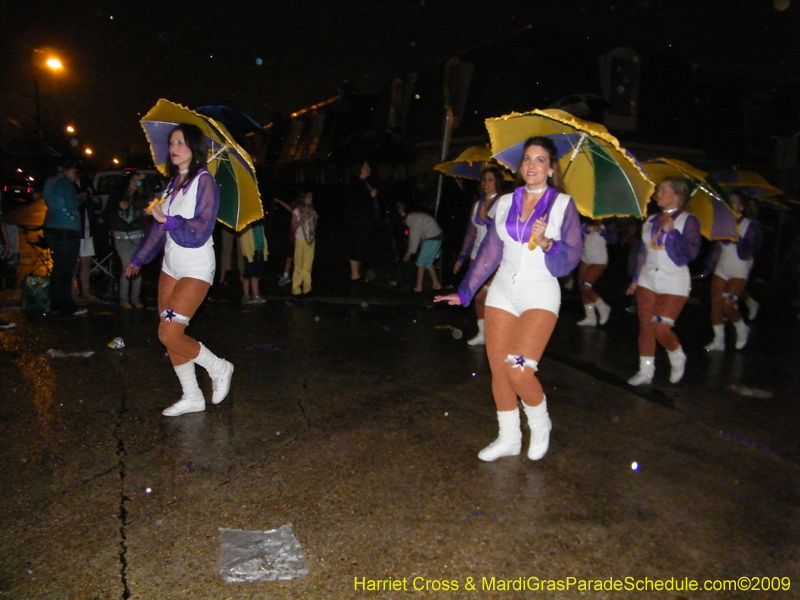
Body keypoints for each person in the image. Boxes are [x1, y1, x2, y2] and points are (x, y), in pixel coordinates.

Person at [435, 137, 582, 462]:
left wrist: (547, 243)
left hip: (540, 294)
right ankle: (509, 438)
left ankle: (540, 423)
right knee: (499, 371)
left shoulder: (562, 205)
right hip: (502, 292)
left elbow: (569, 261)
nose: (531, 165)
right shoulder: (504, 202)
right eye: (527, 158)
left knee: (518, 371)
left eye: (540, 159)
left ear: (551, 168)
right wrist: (465, 291)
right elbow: (490, 253)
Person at [126, 123, 233, 417]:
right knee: (167, 332)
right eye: (172, 142)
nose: (173, 148)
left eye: (181, 142)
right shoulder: (175, 182)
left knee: (170, 333)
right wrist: (139, 259)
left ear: (194, 149)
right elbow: (159, 229)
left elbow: (200, 228)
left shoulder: (205, 182)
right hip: (170, 266)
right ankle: (192, 395)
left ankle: (218, 366)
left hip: (195, 267)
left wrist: (168, 219)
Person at [626, 177, 701, 385]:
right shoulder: (651, 220)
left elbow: (690, 254)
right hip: (648, 277)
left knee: (660, 327)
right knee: (646, 326)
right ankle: (645, 371)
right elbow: (643, 251)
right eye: (658, 189)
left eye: (664, 190)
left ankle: (677, 355)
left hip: (674, 279)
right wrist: (635, 278)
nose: (658, 194)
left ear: (677, 195)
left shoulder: (688, 220)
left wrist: (673, 233)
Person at [703, 190, 762, 351]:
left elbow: (753, 247)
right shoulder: (722, 223)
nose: (730, 204)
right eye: (728, 201)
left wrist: (736, 237)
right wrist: (707, 268)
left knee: (728, 303)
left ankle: (742, 329)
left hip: (739, 269)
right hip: (722, 267)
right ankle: (719, 340)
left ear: (741, 207)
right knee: (716, 304)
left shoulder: (750, 224)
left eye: (734, 201)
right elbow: (716, 249)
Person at [453, 167, 503, 345]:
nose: (486, 183)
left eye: (490, 179)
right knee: (477, 296)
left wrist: (488, 220)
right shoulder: (478, 204)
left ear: (497, 182)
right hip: (476, 255)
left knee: (484, 296)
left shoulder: (503, 202)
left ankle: (496, 331)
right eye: (484, 179)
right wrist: (462, 256)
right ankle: (483, 333)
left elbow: (504, 230)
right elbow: (471, 232)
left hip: (493, 256)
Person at [42, 160, 87, 317]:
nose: (76, 177)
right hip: (66, 229)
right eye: (75, 173)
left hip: (52, 227)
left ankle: (55, 302)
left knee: (58, 268)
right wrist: (80, 198)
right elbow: (71, 203)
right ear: (68, 170)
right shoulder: (65, 182)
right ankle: (66, 305)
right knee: (66, 269)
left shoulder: (50, 181)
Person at [107, 172, 147, 308]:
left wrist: (144, 182)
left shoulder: (140, 197)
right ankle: (124, 298)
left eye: (138, 181)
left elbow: (149, 200)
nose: (136, 183)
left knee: (137, 266)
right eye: (133, 180)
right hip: (121, 236)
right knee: (127, 265)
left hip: (137, 235)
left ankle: (135, 298)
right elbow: (107, 211)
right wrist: (118, 206)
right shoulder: (117, 195)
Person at [576, 219, 616, 326]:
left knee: (585, 286)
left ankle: (603, 307)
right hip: (585, 257)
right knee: (581, 287)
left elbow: (613, 240)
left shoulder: (608, 225)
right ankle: (590, 317)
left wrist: (602, 232)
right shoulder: (585, 223)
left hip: (599, 259)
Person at [398, 203, 443, 292]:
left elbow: (414, 237)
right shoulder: (414, 216)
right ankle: (436, 284)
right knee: (428, 263)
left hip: (432, 238)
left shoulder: (412, 219)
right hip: (437, 237)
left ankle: (419, 287)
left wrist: (409, 252)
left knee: (420, 263)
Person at [345, 161, 378, 282]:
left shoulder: (365, 183)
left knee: (362, 246)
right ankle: (354, 275)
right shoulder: (355, 184)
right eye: (366, 167)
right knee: (356, 245)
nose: (369, 169)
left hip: (366, 221)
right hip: (358, 222)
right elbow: (357, 202)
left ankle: (357, 273)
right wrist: (370, 196)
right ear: (360, 169)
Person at [74, 174, 101, 304]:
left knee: (86, 261)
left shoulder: (86, 182)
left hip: (87, 229)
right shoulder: (67, 184)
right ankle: (72, 293)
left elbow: (96, 200)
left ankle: (85, 292)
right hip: (74, 229)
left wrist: (95, 201)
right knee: (73, 263)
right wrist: (79, 198)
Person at [291, 189, 318, 297]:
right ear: (303, 198)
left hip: (310, 240)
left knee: (308, 265)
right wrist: (303, 219)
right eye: (308, 197)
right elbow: (293, 226)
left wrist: (313, 218)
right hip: (300, 239)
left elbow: (314, 224)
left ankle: (307, 288)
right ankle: (296, 289)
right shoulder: (297, 211)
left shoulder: (311, 210)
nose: (311, 199)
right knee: (299, 265)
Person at [238, 219, 268, 304]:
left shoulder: (259, 223)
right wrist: (247, 252)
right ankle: (246, 295)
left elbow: (262, 237)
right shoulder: (245, 223)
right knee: (248, 273)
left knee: (256, 274)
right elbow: (244, 239)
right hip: (249, 252)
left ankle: (255, 294)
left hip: (259, 250)